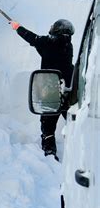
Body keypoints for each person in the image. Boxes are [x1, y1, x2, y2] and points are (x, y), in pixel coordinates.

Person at [10, 19, 75, 160]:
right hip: (68, 92)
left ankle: (50, 151)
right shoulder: (68, 45)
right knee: (72, 122)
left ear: (57, 30)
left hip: (50, 93)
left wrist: (18, 27)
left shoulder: (48, 43)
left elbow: (32, 38)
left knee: (48, 126)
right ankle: (78, 147)